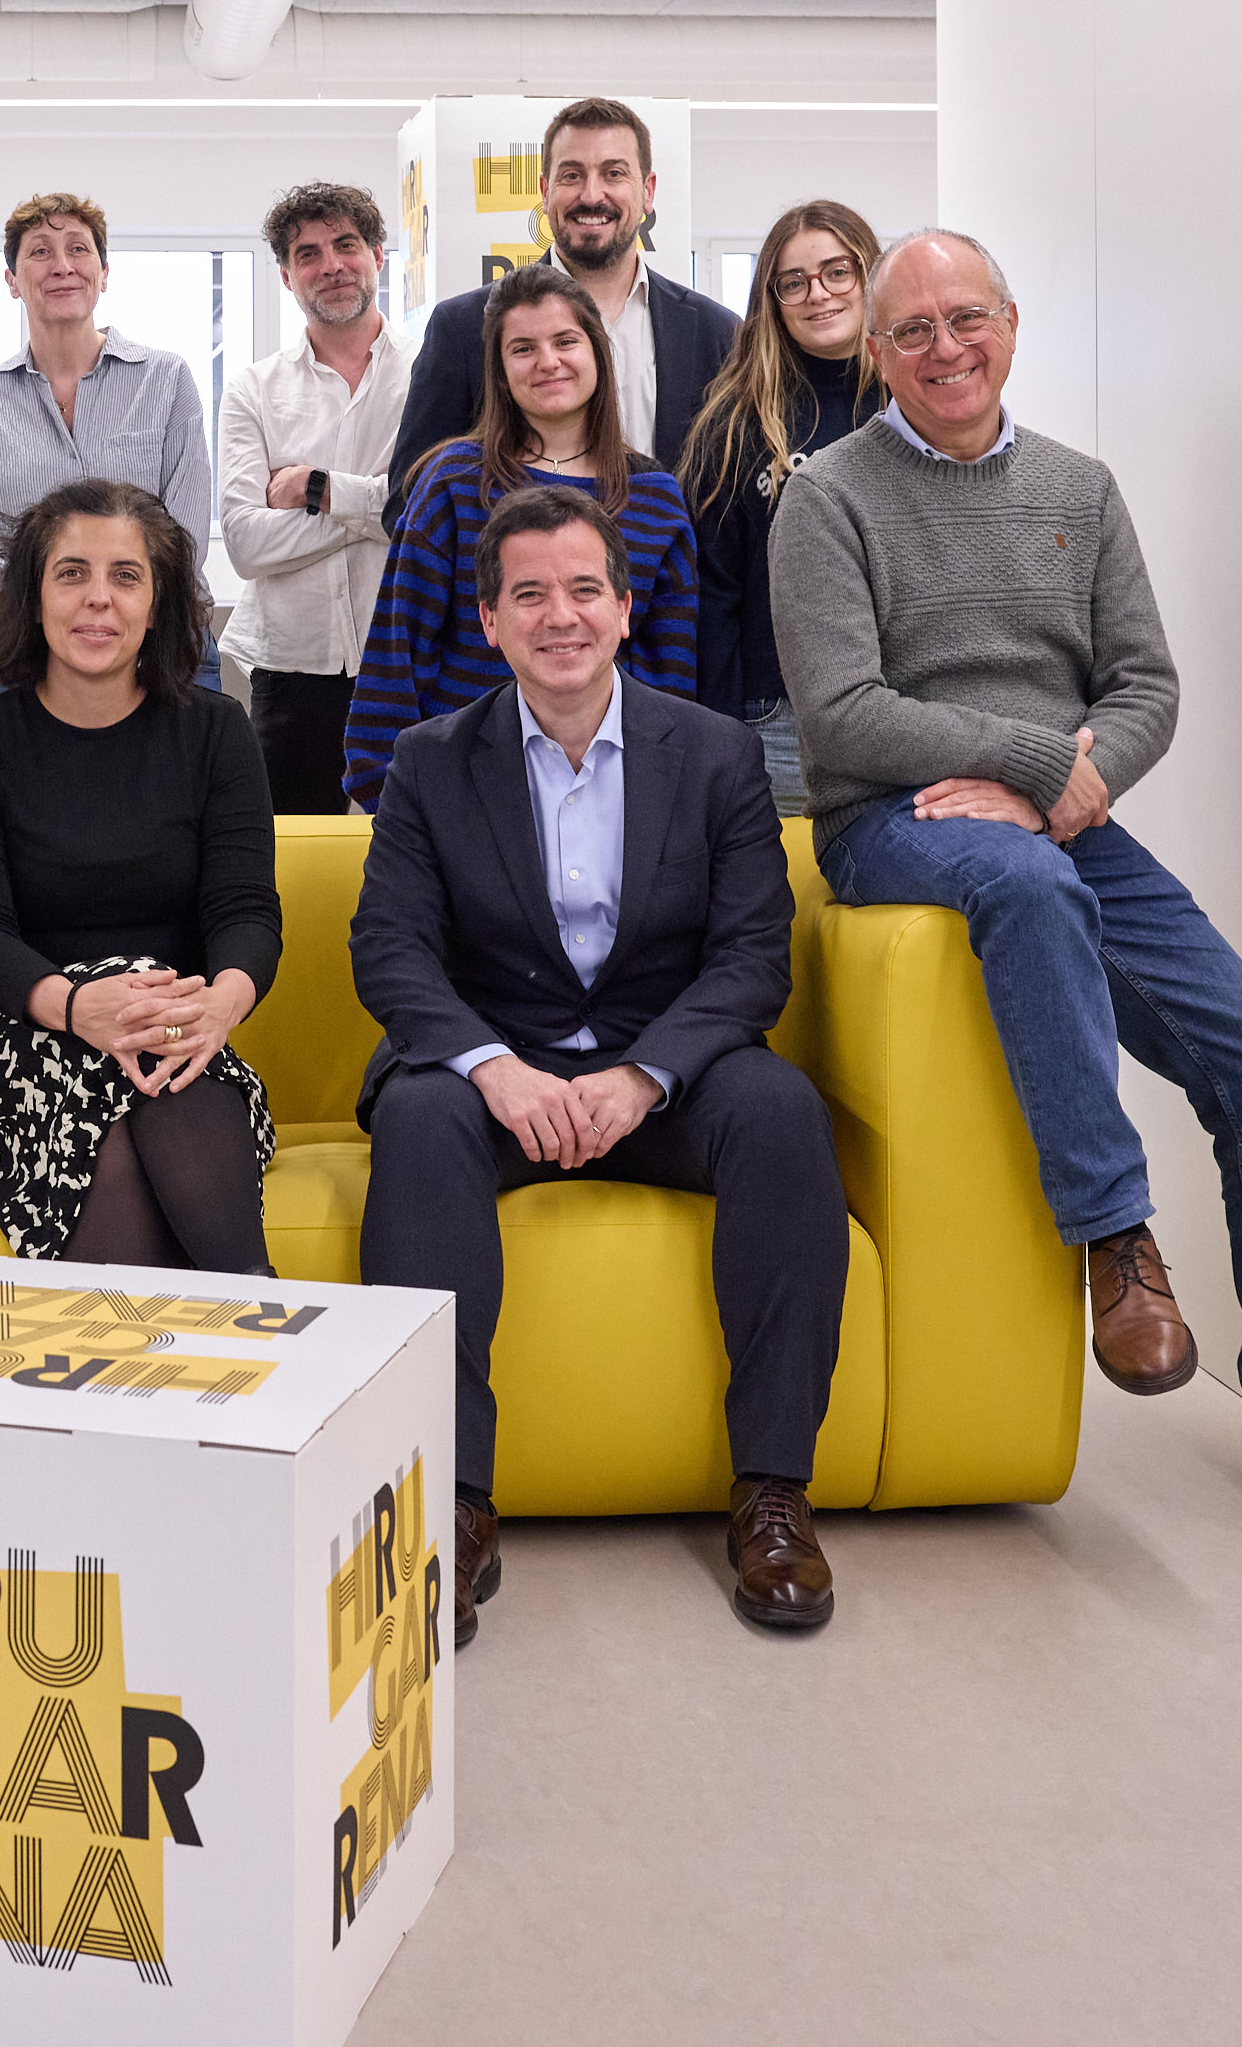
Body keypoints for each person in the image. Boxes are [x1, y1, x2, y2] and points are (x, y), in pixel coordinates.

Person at [771, 228, 1242, 1538]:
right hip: (889, 823)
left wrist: (1063, 781)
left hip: (1059, 823)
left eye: (966, 319)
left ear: (1009, 322)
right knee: (1017, 879)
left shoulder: (1080, 485)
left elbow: (1143, 685)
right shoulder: (824, 496)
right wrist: (1022, 762)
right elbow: (838, 713)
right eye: (911, 333)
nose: (944, 349)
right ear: (874, 354)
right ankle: (1113, 1235)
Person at [354, 483, 851, 1643]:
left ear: (626, 609)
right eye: (529, 593)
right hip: (497, 1079)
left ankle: (774, 1491)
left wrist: (643, 1077)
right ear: (489, 620)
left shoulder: (719, 754)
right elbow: (389, 949)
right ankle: (455, 1503)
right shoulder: (430, 761)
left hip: (662, 1071)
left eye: (585, 589)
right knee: (420, 1121)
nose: (560, 615)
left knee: (779, 1109)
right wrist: (492, 1067)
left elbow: (749, 957)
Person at [0, 480, 279, 1271]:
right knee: (130, 1093)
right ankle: (258, 1319)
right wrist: (81, 1006)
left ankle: (149, 1358)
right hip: (8, 1035)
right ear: (33, 597)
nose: (97, 601)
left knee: (148, 1080)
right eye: (71, 573)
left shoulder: (215, 732)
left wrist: (221, 1004)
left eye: (125, 575)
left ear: (158, 603)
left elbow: (245, 909)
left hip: (173, 1034)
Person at [339, 260, 699, 810]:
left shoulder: (654, 495)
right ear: (500, 371)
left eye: (565, 341)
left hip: (608, 792)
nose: (548, 362)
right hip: (463, 790)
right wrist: (388, 792)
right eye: (523, 348)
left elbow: (668, 674)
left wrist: (656, 795)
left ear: (597, 353)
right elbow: (398, 648)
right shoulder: (453, 481)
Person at [384, 96, 738, 505]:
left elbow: (729, 510)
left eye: (613, 173)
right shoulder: (464, 328)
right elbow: (410, 501)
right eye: (572, 175)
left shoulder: (716, 334)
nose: (592, 195)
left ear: (647, 192)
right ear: (544, 190)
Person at [0, 192, 214, 701]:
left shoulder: (168, 381)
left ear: (104, 273)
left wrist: (108, 605)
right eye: (40, 252)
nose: (62, 266)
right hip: (22, 658)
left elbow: (184, 539)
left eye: (78, 250)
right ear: (11, 281)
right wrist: (67, 615)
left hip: (162, 650)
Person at [674, 201, 886, 811]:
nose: (818, 294)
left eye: (837, 272)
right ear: (773, 300)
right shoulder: (737, 422)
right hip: (775, 723)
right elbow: (713, 595)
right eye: (794, 282)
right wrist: (717, 739)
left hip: (905, 713)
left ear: (871, 274)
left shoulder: (917, 410)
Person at [219, 180, 405, 814]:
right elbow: (245, 543)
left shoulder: (432, 370)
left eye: (346, 244)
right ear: (285, 275)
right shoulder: (253, 388)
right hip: (291, 672)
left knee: (418, 865)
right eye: (308, 253)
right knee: (291, 873)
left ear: (378, 254)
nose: (330, 265)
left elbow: (441, 511)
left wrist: (317, 489)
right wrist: (378, 507)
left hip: (409, 661)